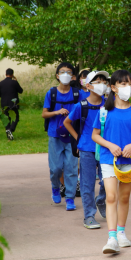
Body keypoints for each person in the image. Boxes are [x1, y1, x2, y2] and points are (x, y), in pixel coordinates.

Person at [92, 70, 131, 254]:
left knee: (124, 197)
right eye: (123, 84)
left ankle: (122, 233)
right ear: (113, 87)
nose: (128, 88)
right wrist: (110, 145)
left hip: (129, 162)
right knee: (111, 197)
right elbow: (95, 136)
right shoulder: (104, 112)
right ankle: (112, 237)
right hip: (108, 160)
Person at [64, 71, 109, 229]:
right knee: (87, 183)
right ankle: (89, 216)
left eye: (104, 81)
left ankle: (101, 200)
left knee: (107, 182)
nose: (102, 84)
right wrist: (78, 138)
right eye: (98, 81)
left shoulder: (109, 104)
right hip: (87, 149)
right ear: (88, 85)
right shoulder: (81, 105)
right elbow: (67, 122)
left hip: (106, 149)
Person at [42, 62, 83, 210]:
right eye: (62, 72)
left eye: (69, 72)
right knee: (56, 168)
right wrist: (57, 112)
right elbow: (44, 113)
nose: (65, 74)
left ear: (73, 77)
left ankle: (70, 198)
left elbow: (88, 105)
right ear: (57, 76)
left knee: (71, 168)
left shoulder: (77, 93)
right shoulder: (51, 93)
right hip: (55, 135)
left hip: (72, 135)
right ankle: (55, 187)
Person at [0, 68, 23, 141]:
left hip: (4, 104)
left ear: (5, 74)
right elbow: (20, 91)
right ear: (12, 75)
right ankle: (10, 130)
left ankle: (8, 133)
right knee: (15, 118)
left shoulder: (0, 83)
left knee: (6, 119)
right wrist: (16, 81)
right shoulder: (14, 82)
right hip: (13, 103)